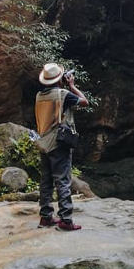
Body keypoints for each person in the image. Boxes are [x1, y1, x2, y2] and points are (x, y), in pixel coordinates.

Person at [34, 62, 89, 231]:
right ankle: (65, 219)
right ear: (60, 80)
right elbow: (85, 102)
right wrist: (72, 85)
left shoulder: (39, 96)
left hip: (43, 142)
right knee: (63, 181)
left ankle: (46, 217)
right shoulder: (63, 94)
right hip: (58, 143)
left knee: (46, 182)